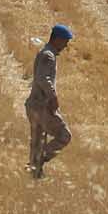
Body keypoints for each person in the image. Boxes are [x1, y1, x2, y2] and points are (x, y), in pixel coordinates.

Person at [26, 24, 74, 179]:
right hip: (42, 106)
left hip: (34, 105)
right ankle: (38, 159)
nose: (66, 45)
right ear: (57, 39)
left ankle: (35, 173)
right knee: (64, 135)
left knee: (37, 141)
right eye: (65, 41)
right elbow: (43, 78)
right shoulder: (49, 55)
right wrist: (53, 97)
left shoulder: (45, 52)